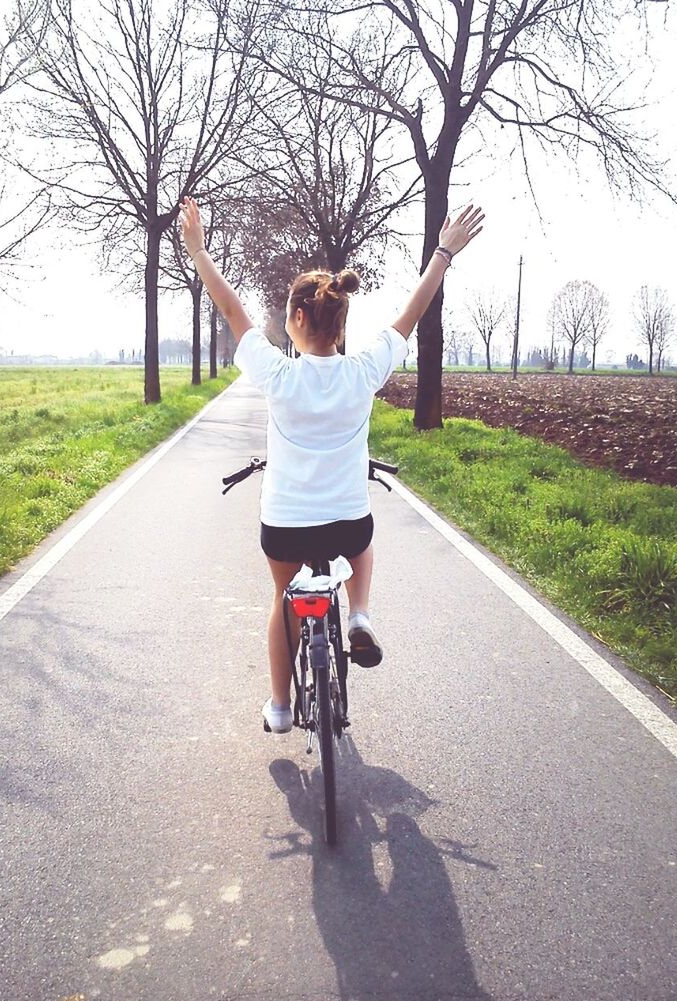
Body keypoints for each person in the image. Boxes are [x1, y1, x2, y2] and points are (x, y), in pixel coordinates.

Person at [179, 196, 484, 733]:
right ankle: (359, 615)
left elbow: (232, 311)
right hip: (344, 520)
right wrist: (443, 252)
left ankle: (278, 708)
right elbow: (410, 316)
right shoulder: (363, 372)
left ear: (298, 318)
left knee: (283, 599)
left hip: (284, 526)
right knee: (361, 542)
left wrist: (201, 252)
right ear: (340, 322)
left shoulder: (278, 374)